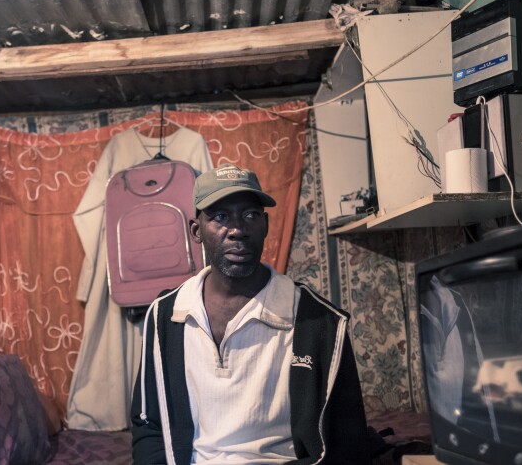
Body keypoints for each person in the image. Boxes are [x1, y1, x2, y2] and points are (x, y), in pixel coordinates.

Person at [130, 163, 369, 464]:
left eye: (251, 215)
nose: (237, 230)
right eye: (220, 217)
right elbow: (147, 422)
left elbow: (347, 440)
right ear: (196, 231)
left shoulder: (318, 322)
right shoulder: (166, 316)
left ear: (266, 225)